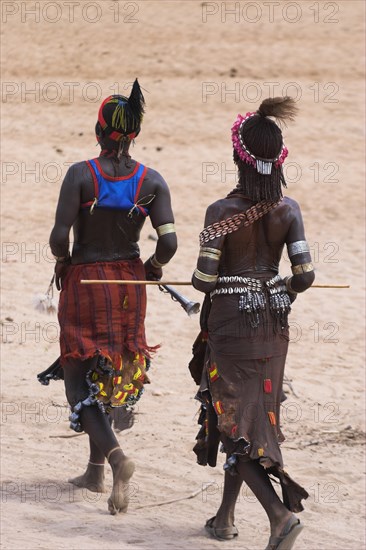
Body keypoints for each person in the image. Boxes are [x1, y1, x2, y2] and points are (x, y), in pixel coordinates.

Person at [191, 97, 314, 549]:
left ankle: (279, 516)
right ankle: (223, 518)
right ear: (277, 160)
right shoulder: (290, 210)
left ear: (238, 158)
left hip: (229, 328)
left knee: (232, 423)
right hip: (273, 327)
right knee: (253, 418)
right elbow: (305, 276)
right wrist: (274, 287)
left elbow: (203, 281)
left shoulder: (220, 213)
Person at [49, 79, 177, 515]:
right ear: (133, 135)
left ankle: (117, 459)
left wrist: (63, 263)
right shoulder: (151, 180)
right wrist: (154, 269)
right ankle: (94, 471)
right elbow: (169, 243)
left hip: (87, 281)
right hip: (130, 284)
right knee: (109, 375)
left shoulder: (81, 175)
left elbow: (58, 238)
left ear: (100, 132)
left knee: (78, 378)